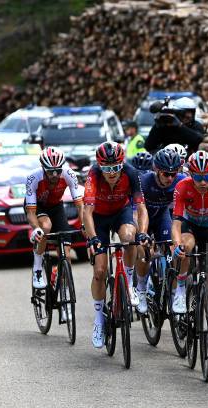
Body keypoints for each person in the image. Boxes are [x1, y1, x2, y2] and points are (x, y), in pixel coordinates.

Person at [83, 142, 151, 348]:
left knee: (129, 237)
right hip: (99, 219)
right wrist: (93, 237)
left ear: (122, 164)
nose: (111, 173)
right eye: (106, 168)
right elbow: (87, 211)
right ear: (99, 166)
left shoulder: (130, 172)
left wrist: (143, 233)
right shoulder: (93, 175)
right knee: (100, 272)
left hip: (120, 213)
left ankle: (129, 283)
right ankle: (99, 319)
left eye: (115, 168)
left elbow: (141, 207)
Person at [171, 150, 208, 358]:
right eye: (198, 177)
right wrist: (176, 245)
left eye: (207, 176)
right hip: (190, 226)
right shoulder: (182, 186)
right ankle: (181, 287)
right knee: (187, 245)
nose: (203, 182)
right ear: (190, 174)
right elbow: (176, 223)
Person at [134, 148, 186, 314]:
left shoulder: (181, 180)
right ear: (156, 169)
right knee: (144, 251)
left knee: (174, 250)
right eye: (165, 174)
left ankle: (172, 292)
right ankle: (141, 288)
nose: (170, 178)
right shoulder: (144, 181)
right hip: (145, 217)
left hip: (162, 216)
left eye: (174, 173)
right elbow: (137, 211)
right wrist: (142, 233)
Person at [25, 147, 83, 290]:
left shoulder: (69, 174)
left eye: (58, 170)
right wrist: (36, 229)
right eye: (51, 171)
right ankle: (37, 269)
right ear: (43, 168)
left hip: (56, 206)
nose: (55, 175)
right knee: (45, 226)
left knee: (66, 253)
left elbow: (80, 206)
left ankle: (59, 278)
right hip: (37, 207)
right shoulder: (33, 178)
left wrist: (85, 224)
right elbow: (31, 212)